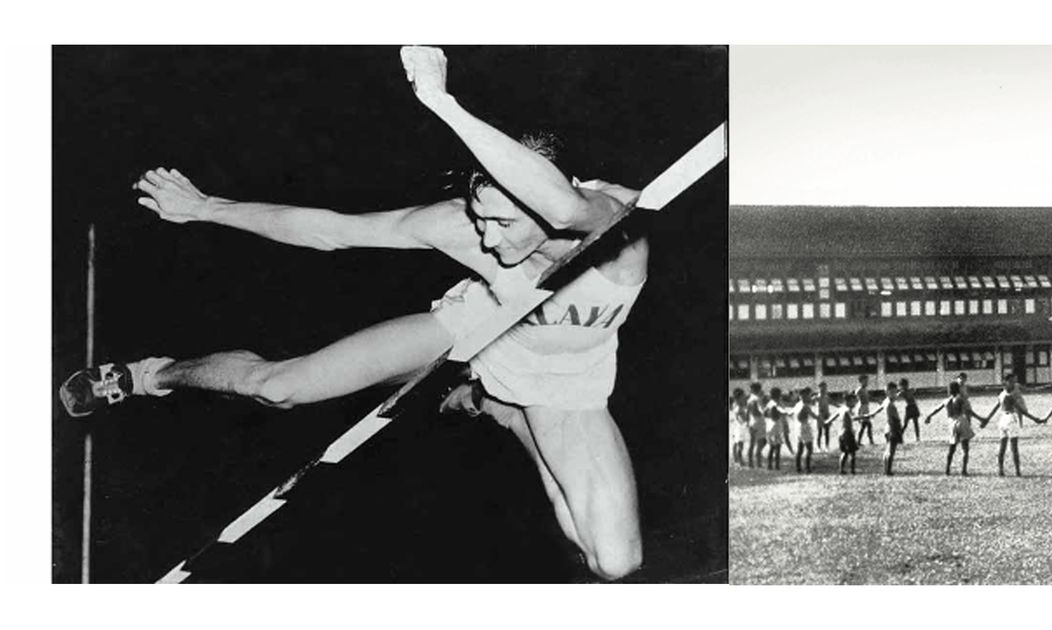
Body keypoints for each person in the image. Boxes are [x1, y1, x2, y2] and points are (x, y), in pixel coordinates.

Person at [57, 47, 649, 580]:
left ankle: (501, 410)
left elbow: (565, 209)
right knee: (279, 387)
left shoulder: (617, 225)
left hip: (565, 385)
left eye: (503, 223)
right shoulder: (459, 224)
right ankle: (149, 376)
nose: (487, 240)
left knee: (613, 561)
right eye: (480, 216)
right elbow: (331, 232)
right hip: (472, 327)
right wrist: (209, 207)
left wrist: (442, 102)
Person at [984, 374, 1042, 477]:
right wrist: (1035, 419)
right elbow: (1021, 410)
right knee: (1014, 447)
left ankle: (1001, 470)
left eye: (1014, 381)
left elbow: (994, 409)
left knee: (1003, 445)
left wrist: (986, 419)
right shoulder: (1009, 396)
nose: (1013, 384)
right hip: (1010, 419)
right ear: (1005, 382)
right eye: (1011, 382)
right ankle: (1017, 471)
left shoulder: (1001, 395)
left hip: (1002, 419)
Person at [924, 381, 986, 476]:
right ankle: (964, 470)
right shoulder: (960, 399)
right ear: (958, 389)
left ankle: (947, 469)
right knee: (965, 448)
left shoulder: (946, 401)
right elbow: (968, 411)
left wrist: (929, 416)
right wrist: (980, 419)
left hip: (952, 423)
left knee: (952, 448)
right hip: (961, 421)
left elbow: (937, 409)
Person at [858, 382, 905, 475]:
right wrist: (898, 430)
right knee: (891, 451)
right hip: (893, 429)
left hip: (888, 429)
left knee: (888, 450)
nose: (894, 394)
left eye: (895, 392)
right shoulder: (889, 404)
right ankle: (888, 471)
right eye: (892, 392)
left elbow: (874, 412)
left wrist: (863, 416)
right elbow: (894, 419)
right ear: (887, 392)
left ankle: (886, 469)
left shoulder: (886, 401)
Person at [835, 392, 861, 475]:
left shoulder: (841, 409)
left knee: (844, 452)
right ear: (848, 401)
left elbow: (834, 416)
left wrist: (827, 422)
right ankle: (852, 470)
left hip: (841, 433)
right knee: (853, 453)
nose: (855, 403)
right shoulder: (847, 411)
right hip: (847, 433)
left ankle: (841, 469)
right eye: (854, 401)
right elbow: (851, 420)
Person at [853, 374, 876, 446]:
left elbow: (868, 397)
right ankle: (867, 441)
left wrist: (876, 400)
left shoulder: (864, 389)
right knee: (865, 425)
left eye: (867, 381)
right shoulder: (859, 390)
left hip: (865, 407)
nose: (867, 382)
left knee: (866, 425)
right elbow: (857, 399)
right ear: (861, 381)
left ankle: (861, 441)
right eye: (865, 381)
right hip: (862, 408)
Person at [729, 389, 748, 467]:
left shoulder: (735, 404)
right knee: (740, 444)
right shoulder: (739, 406)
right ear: (739, 396)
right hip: (740, 427)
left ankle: (736, 459)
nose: (744, 397)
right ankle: (740, 460)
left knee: (736, 443)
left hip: (736, 426)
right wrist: (745, 420)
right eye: (743, 395)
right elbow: (740, 418)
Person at [898, 377, 922, 442]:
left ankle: (917, 437)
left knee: (911, 423)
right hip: (911, 407)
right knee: (908, 424)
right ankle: (900, 436)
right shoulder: (906, 391)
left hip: (911, 407)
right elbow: (914, 390)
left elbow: (898, 395)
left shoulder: (904, 392)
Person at [815, 382, 833, 451]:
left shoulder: (826, 397)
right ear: (819, 388)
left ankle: (827, 446)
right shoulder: (817, 397)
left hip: (827, 415)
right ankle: (818, 447)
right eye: (823, 387)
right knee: (820, 432)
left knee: (827, 432)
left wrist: (840, 407)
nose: (824, 389)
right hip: (820, 416)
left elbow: (832, 403)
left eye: (825, 387)